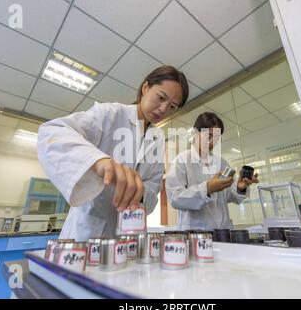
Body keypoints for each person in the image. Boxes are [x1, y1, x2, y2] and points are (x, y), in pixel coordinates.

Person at [37, 66, 189, 241]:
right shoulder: (110, 114)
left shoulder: (158, 137)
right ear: (145, 88)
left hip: (129, 233)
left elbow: (153, 185)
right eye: (161, 97)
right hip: (86, 231)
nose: (163, 109)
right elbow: (53, 132)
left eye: (172, 107)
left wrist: (137, 192)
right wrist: (99, 161)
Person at [165, 112, 258, 231]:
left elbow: (230, 197)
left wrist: (240, 187)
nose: (212, 142)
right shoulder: (181, 161)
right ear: (195, 133)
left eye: (216, 138)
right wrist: (207, 188)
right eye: (208, 136)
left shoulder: (221, 163)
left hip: (223, 232)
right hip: (195, 235)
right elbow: (175, 199)